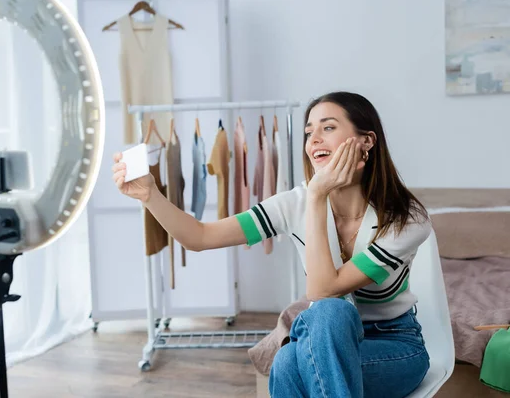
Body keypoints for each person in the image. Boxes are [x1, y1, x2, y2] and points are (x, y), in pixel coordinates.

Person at [112, 91, 431, 398]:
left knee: (315, 329)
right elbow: (200, 237)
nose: (314, 139)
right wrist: (150, 196)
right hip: (324, 339)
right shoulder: (295, 203)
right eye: (309, 132)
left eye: (328, 127)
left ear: (367, 141)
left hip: (395, 346)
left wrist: (318, 196)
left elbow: (323, 290)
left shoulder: (405, 218)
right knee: (297, 350)